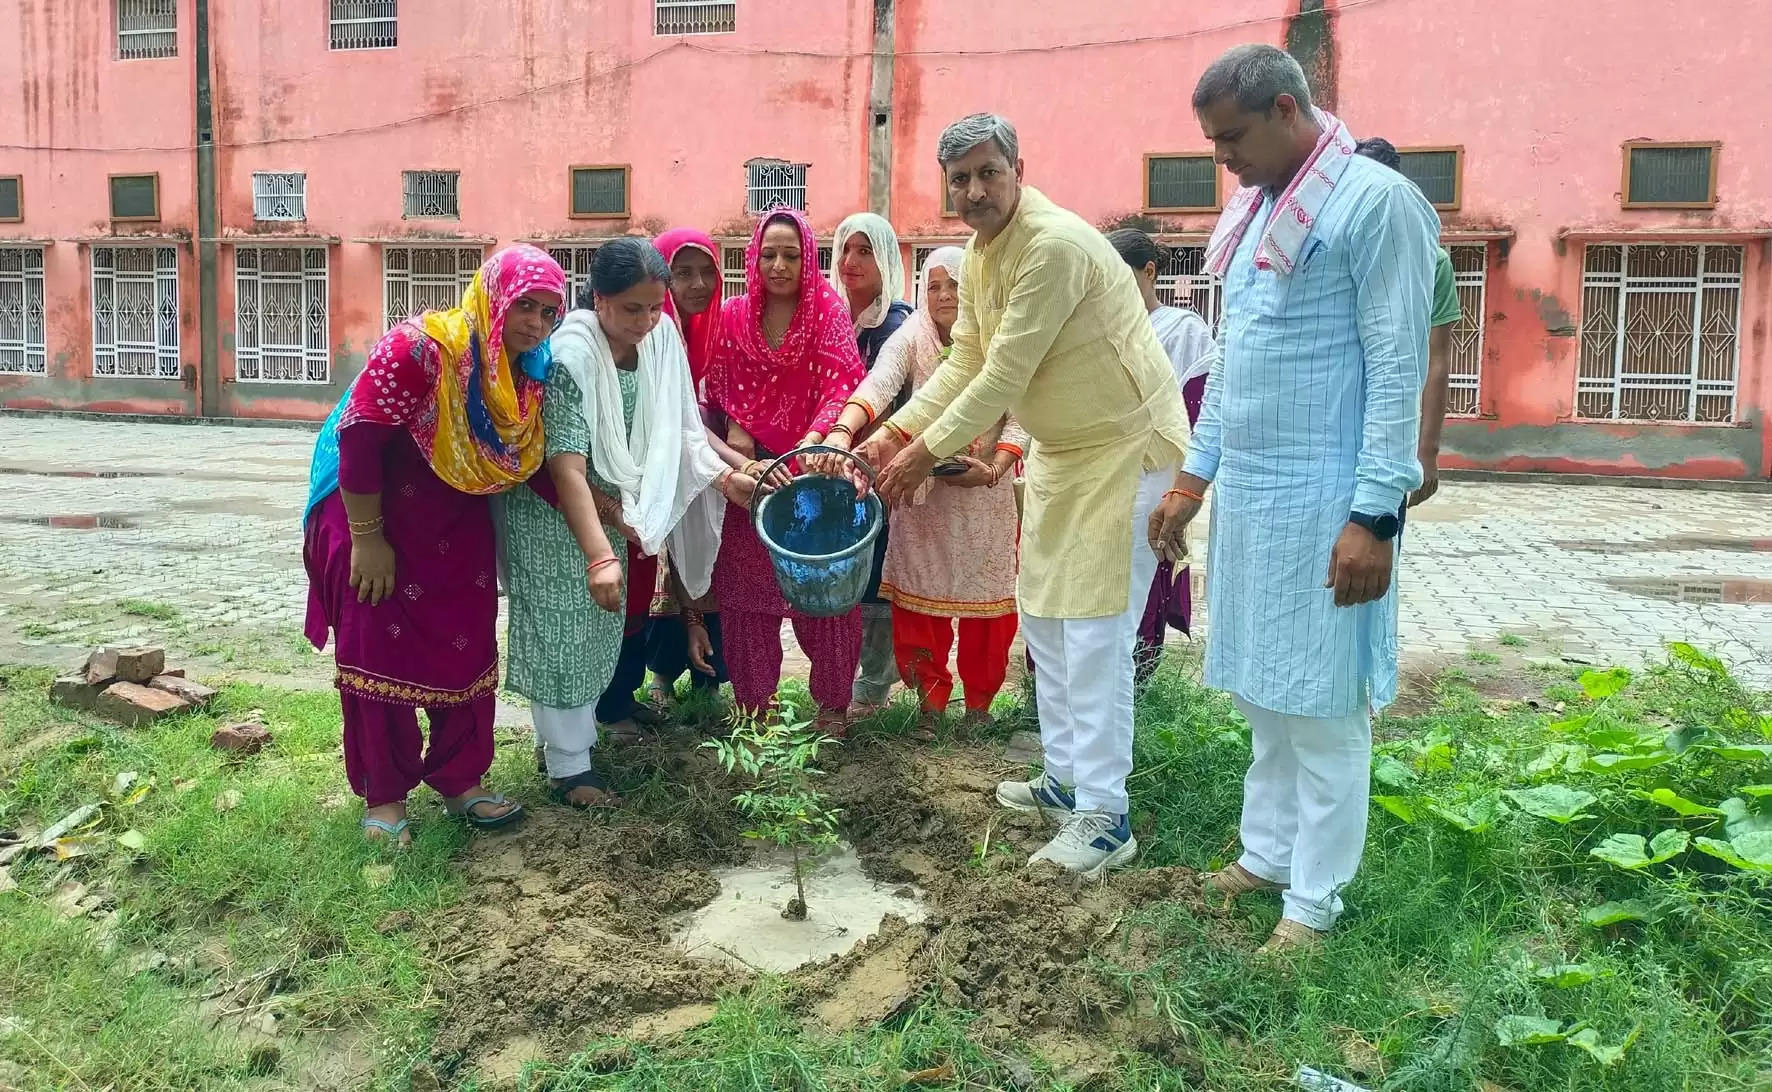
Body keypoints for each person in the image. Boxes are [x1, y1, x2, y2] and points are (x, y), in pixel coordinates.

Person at [1149, 45, 1438, 951]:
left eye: (1231, 138)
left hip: (1331, 504)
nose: (1222, 159)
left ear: (1285, 109)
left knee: (1321, 707)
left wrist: (1374, 514)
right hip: (1257, 502)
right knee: (1264, 700)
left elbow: (1399, 366)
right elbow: (1233, 366)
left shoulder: (1376, 203)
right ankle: (1265, 857)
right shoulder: (1253, 216)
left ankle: (1313, 904)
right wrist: (1194, 478)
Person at [859, 114, 1189, 876]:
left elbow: (1002, 378)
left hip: (1125, 449)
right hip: (1062, 454)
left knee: (1094, 637)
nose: (975, 191)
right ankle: (1066, 782)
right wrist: (893, 427)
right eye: (961, 179)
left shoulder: (1056, 246)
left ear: (1016, 168)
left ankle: (1107, 818)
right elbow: (964, 360)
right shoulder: (978, 256)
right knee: (1044, 619)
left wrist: (921, 453)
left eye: (988, 173)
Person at [302, 245, 566, 844]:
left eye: (550, 312)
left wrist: (600, 519)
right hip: (370, 506)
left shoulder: (527, 369)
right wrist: (369, 542)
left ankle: (460, 780)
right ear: (494, 296)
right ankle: (386, 796)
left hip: (455, 505)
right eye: (525, 305)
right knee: (380, 648)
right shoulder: (421, 348)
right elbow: (360, 439)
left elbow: (530, 462)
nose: (536, 323)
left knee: (466, 639)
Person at [500, 239, 741, 807]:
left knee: (594, 634)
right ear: (599, 299)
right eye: (633, 308)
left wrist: (729, 476)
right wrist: (605, 544)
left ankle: (567, 748)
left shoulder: (658, 344)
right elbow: (565, 465)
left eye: (656, 307)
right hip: (556, 519)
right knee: (562, 632)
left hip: (614, 518)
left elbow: (681, 431)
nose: (647, 320)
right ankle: (569, 769)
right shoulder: (569, 356)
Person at [821, 246, 1025, 723]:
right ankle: (930, 705)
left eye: (954, 284)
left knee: (989, 611)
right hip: (922, 490)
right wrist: (845, 430)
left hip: (985, 498)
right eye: (933, 286)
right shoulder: (911, 335)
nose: (943, 295)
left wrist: (995, 468)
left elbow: (1020, 413)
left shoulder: (1000, 337)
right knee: (918, 606)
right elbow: (880, 382)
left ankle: (979, 708)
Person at [705, 208, 868, 735]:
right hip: (751, 477)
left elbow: (843, 384)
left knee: (828, 594)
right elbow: (724, 390)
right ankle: (755, 707)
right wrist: (745, 451)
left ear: (807, 260)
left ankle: (833, 704)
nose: (779, 266)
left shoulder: (827, 311)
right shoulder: (732, 316)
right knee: (747, 598)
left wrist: (812, 444)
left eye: (791, 255)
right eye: (769, 254)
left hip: (816, 474)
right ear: (753, 257)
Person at [1107, 228, 1217, 686]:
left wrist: (1181, 487)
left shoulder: (1183, 331)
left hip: (1155, 478)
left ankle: (1136, 687)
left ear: (1149, 272)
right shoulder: (1095, 330)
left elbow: (1196, 414)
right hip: (1098, 476)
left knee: (1144, 573)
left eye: (1119, 276)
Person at [645, 228, 737, 706]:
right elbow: (676, 423)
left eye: (707, 272)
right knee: (669, 566)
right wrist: (737, 466)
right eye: (683, 273)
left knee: (706, 561)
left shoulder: (714, 331)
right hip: (666, 473)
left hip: (705, 471)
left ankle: (708, 679)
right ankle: (660, 675)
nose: (698, 284)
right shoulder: (656, 332)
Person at [829, 212, 915, 713]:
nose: (851, 262)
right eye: (845, 249)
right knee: (842, 568)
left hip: (880, 465)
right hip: (834, 464)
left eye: (865, 251)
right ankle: (840, 674)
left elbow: (899, 400)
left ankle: (875, 683)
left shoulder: (898, 326)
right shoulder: (833, 320)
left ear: (885, 259)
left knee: (878, 565)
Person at [1352, 137, 1462, 511]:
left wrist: (1427, 451)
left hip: (1388, 430)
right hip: (1329, 424)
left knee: (1374, 543)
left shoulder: (1432, 261)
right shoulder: (1337, 248)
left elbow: (1437, 360)